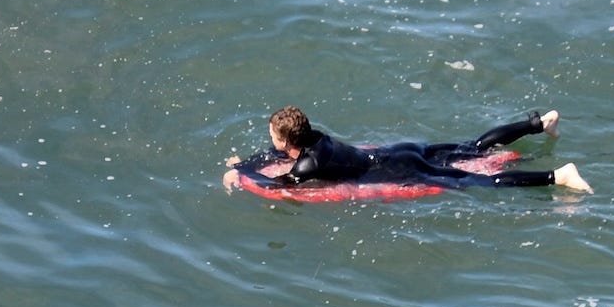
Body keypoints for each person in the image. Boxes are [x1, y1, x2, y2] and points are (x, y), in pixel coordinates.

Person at [222, 106, 592, 193]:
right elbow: (275, 155)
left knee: (477, 181)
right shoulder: (316, 136)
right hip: (398, 152)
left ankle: (557, 176)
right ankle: (538, 123)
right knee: (473, 147)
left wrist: (241, 172)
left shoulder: (307, 167)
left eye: (272, 134)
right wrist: (248, 160)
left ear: (286, 140)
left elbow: (278, 184)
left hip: (396, 172)